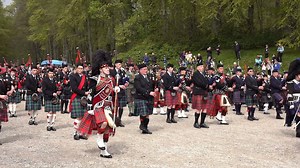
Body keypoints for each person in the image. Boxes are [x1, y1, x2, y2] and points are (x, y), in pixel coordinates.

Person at [78, 50, 118, 158]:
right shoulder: (94, 79)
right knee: (103, 123)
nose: (108, 69)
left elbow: (111, 93)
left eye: (108, 67)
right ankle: (99, 138)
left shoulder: (111, 80)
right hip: (98, 105)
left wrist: (116, 90)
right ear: (100, 68)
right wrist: (90, 106)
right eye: (105, 67)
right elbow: (91, 93)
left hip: (108, 106)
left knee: (107, 129)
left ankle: (104, 151)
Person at [69, 64, 89, 140]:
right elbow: (74, 88)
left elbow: (86, 86)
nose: (80, 70)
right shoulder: (73, 76)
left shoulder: (85, 76)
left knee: (84, 117)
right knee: (79, 116)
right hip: (77, 97)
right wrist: (84, 93)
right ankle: (76, 133)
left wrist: (88, 92)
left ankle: (81, 133)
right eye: (79, 68)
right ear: (76, 69)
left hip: (84, 98)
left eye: (81, 68)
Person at [134, 63, 156, 134]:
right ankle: (142, 126)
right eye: (144, 69)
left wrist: (155, 89)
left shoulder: (149, 77)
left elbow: (152, 85)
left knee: (147, 114)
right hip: (141, 97)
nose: (146, 70)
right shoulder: (137, 77)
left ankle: (145, 128)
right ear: (140, 70)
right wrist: (148, 92)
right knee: (144, 113)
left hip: (149, 97)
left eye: (146, 69)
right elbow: (138, 88)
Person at [110, 60, 128, 127]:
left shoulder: (122, 71)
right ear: (116, 65)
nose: (120, 65)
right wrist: (118, 86)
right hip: (115, 91)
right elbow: (110, 81)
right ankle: (113, 120)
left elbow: (125, 79)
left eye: (121, 64)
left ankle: (119, 120)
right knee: (115, 106)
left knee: (121, 107)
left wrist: (126, 83)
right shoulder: (112, 72)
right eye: (119, 64)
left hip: (122, 91)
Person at [285, 59, 300, 137]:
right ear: (296, 75)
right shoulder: (291, 83)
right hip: (295, 101)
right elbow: (290, 94)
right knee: (298, 115)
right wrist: (291, 105)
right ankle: (298, 130)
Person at [192, 62, 209, 128]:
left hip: (204, 92)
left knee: (205, 108)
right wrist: (205, 85)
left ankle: (202, 122)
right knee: (198, 108)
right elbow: (198, 82)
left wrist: (206, 85)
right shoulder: (195, 74)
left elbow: (207, 81)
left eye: (202, 66)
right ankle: (196, 122)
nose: (202, 67)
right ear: (197, 68)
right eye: (201, 66)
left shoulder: (204, 74)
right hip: (198, 92)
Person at [0, 67, 11, 145]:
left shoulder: (2, 81)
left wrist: (9, 92)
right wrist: (0, 96)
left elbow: (7, 89)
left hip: (1, 102)